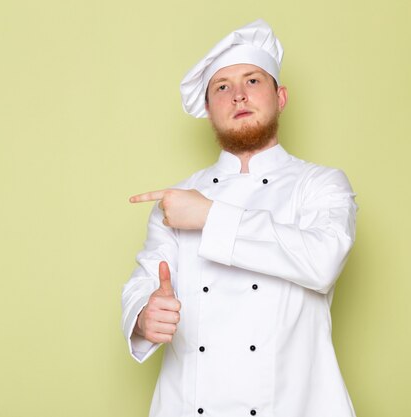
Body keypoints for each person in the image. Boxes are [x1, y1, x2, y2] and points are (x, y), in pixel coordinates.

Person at [121, 19, 358, 417]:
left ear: (280, 97)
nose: (238, 96)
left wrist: (209, 216)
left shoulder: (319, 184)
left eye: (252, 81)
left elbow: (322, 261)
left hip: (294, 405)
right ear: (209, 108)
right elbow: (145, 280)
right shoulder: (177, 199)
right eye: (222, 87)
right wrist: (145, 316)